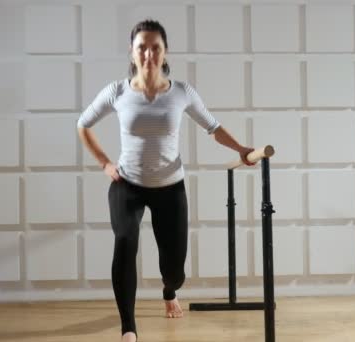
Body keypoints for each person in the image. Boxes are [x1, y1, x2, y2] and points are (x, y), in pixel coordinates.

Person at [77, 19, 255, 342]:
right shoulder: (116, 92)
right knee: (125, 241)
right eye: (141, 47)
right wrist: (104, 162)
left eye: (155, 47)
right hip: (126, 185)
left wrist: (242, 149)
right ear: (132, 53)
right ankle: (128, 328)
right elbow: (83, 124)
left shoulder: (181, 93)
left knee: (174, 267)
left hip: (170, 187)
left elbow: (213, 127)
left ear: (165, 52)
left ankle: (169, 289)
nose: (148, 54)